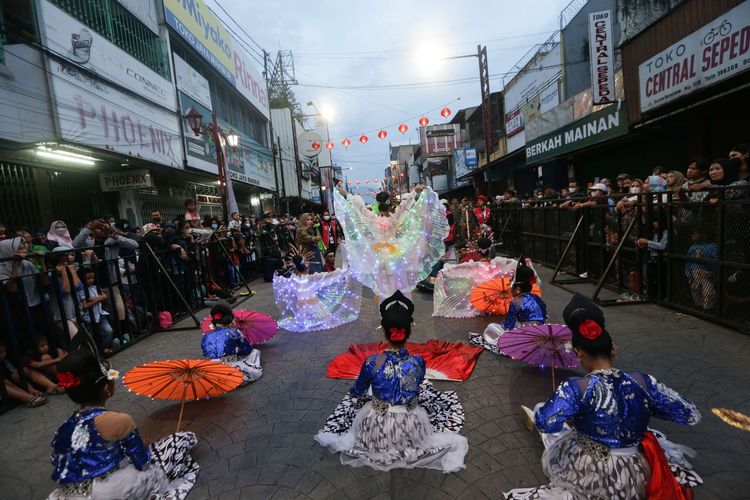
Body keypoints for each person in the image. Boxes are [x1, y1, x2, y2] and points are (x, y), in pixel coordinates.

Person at [506, 293, 702, 499]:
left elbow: (545, 422)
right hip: (636, 470)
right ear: (613, 351)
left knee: (552, 425)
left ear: (579, 353)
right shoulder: (644, 382)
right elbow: (689, 413)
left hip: (592, 471)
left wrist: (576, 418)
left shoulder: (575, 388)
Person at [314, 291, 468, 473]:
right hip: (411, 427)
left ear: (383, 330)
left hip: (375, 427)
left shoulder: (373, 362)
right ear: (408, 332)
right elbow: (415, 386)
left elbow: (357, 391)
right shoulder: (418, 362)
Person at [48, 349, 199, 499]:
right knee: (179, 440)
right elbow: (142, 462)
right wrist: (142, 447)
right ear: (107, 389)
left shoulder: (64, 427)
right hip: (107, 491)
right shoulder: (120, 420)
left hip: (70, 494)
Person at [334, 185, 448, 301]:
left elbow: (360, 208)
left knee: (382, 284)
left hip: (378, 255)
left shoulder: (373, 219)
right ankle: (404, 311)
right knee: (399, 283)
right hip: (396, 253)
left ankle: (385, 312)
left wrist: (346, 194)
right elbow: (405, 206)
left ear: (377, 205)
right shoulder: (395, 217)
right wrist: (414, 190)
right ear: (389, 204)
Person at [470, 259, 546, 354]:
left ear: (517, 289)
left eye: (511, 287)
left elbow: (508, 326)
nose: (510, 289)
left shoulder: (516, 301)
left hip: (525, 335)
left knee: (491, 327)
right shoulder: (537, 298)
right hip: (539, 333)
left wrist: (504, 324)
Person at [273, 252, 362, 332]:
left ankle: (309, 319)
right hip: (317, 312)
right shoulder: (312, 278)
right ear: (307, 265)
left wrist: (276, 275)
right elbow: (333, 275)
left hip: (302, 315)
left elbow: (279, 281)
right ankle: (315, 319)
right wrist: (346, 269)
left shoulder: (292, 280)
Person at [201, 303, 262, 385]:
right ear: (231, 319)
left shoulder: (206, 335)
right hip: (230, 363)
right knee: (255, 352)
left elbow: (206, 354)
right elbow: (247, 350)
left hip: (213, 365)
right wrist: (237, 349)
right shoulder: (234, 332)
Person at [0, 338, 61, 407]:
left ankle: (51, 386)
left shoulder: (4, 361)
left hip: (9, 382)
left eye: (2, 352)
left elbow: (14, 374)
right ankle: (28, 398)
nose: (0, 355)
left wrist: (30, 388)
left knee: (24, 369)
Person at [77, 268, 115, 353]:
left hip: (100, 314)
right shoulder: (81, 291)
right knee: (90, 337)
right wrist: (98, 299)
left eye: (92, 278)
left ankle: (102, 348)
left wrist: (95, 299)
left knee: (108, 330)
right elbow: (85, 305)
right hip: (88, 318)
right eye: (88, 278)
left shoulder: (95, 287)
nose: (91, 280)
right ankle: (93, 353)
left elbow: (105, 296)